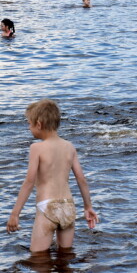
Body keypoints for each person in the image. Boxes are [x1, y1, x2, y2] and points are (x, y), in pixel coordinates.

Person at [6, 99, 99, 252]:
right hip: (68, 206)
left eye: (29, 123)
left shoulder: (36, 148)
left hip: (47, 207)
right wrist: (88, 206)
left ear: (39, 124)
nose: (28, 127)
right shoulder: (69, 146)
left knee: (38, 257)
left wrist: (15, 213)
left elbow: (29, 182)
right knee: (65, 256)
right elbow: (81, 179)